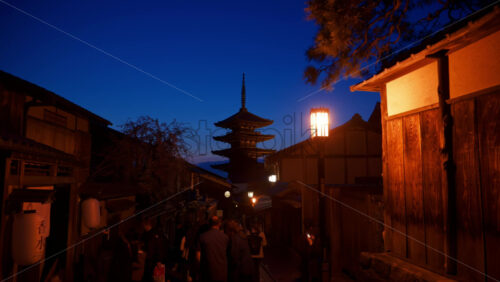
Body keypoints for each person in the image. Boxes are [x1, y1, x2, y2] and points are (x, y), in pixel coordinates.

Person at [196, 216, 229, 282]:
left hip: (208, 272)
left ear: (209, 224)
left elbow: (198, 256)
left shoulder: (203, 237)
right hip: (222, 272)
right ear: (219, 224)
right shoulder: (225, 237)